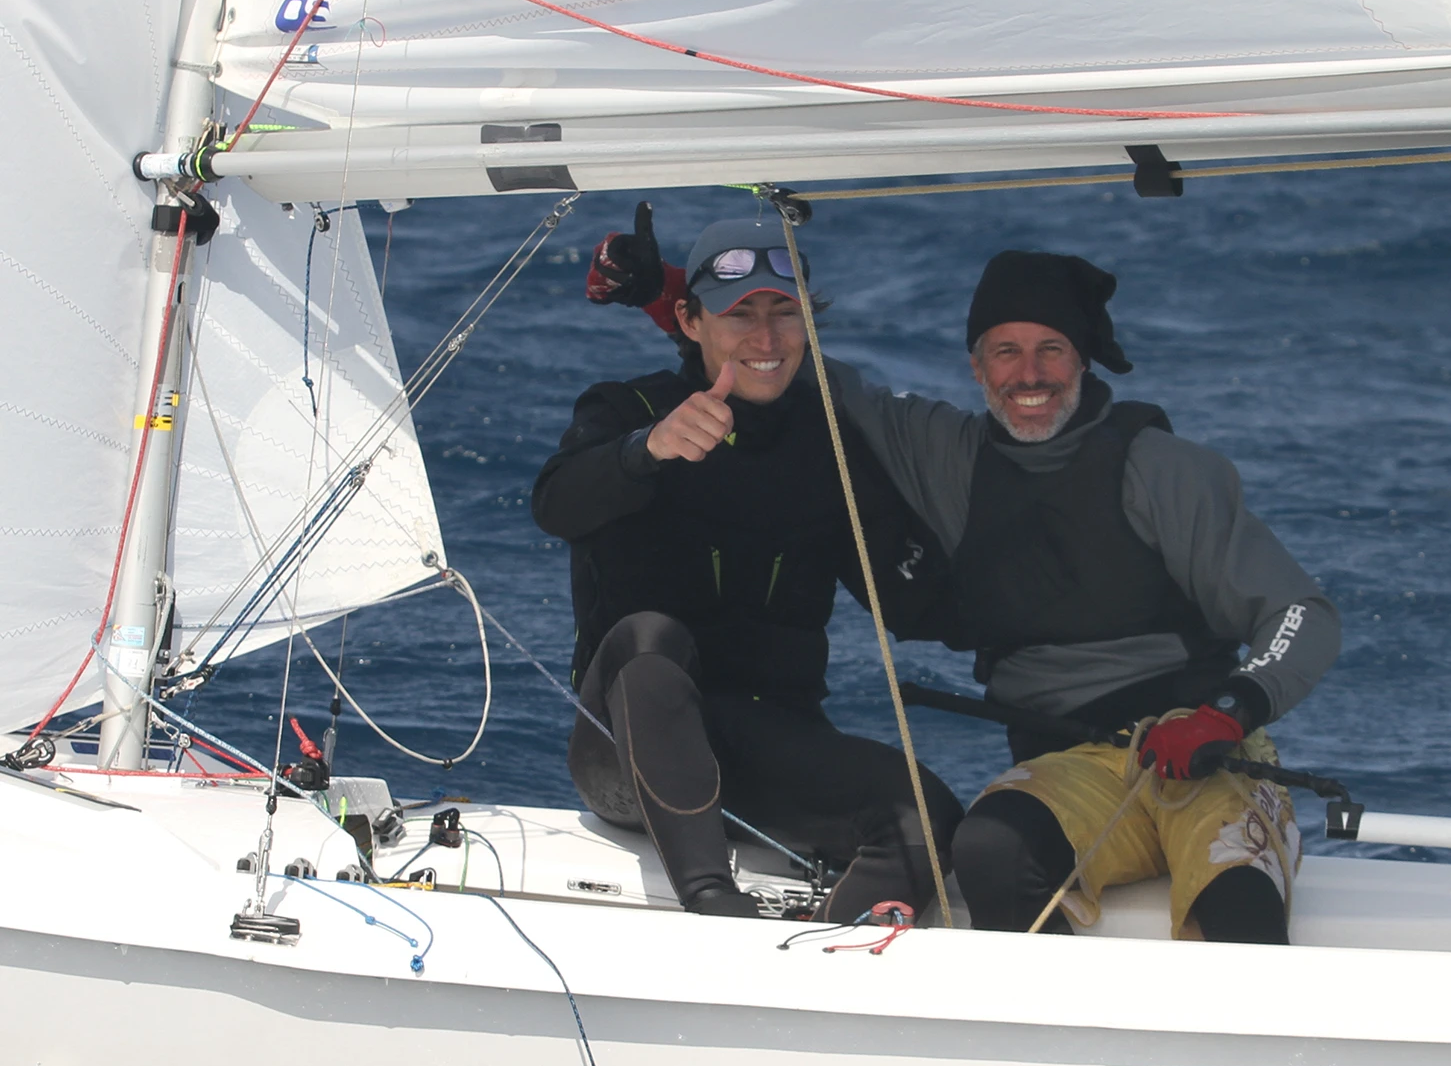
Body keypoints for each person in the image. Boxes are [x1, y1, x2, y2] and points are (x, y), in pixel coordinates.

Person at [590, 217, 1340, 945]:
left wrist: (1228, 711)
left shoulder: (1166, 470)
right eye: (1005, 351)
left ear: (1084, 359)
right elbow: (776, 362)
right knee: (988, 849)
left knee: (1236, 909)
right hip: (1067, 766)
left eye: (1052, 349)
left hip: (1207, 756)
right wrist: (668, 293)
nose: (1029, 375)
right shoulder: (944, 452)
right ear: (976, 367)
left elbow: (1301, 613)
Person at [531, 208, 962, 920]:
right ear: (690, 320)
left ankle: (813, 962)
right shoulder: (629, 408)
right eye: (739, 314)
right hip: (625, 752)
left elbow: (912, 601)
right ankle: (712, 905)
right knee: (649, 638)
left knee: (927, 814)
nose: (766, 339)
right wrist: (647, 450)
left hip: (767, 746)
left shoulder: (829, 441)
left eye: (785, 313)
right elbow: (555, 504)